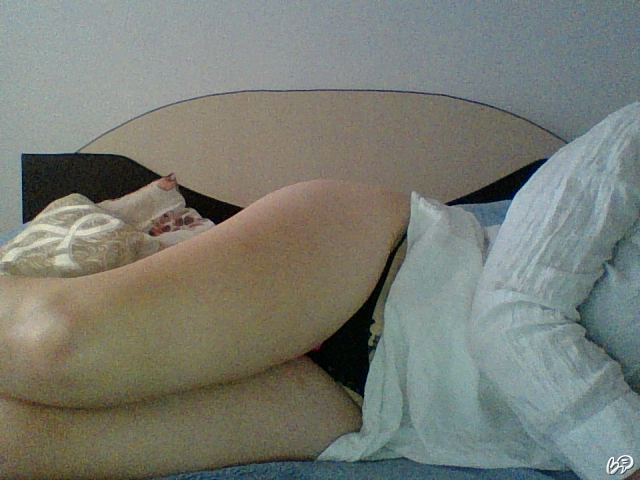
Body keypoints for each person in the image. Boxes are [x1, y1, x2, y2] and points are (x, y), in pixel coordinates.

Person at [1, 102, 638, 479]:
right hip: (379, 265)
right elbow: (513, 318)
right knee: (50, 343)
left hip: (381, 416)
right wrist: (621, 461)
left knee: (23, 445)